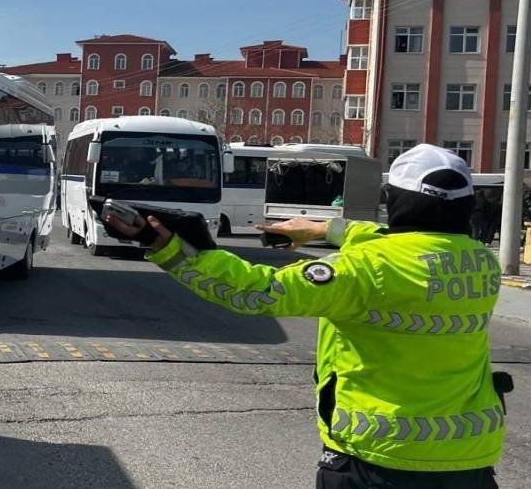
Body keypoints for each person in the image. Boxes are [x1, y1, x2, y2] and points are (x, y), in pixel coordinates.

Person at [106, 144, 507, 488]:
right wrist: (320, 229)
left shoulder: (365, 269)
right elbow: (406, 240)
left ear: (394, 200)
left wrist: (167, 247)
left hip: (378, 459)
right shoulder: (480, 263)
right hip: (469, 456)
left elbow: (255, 290)